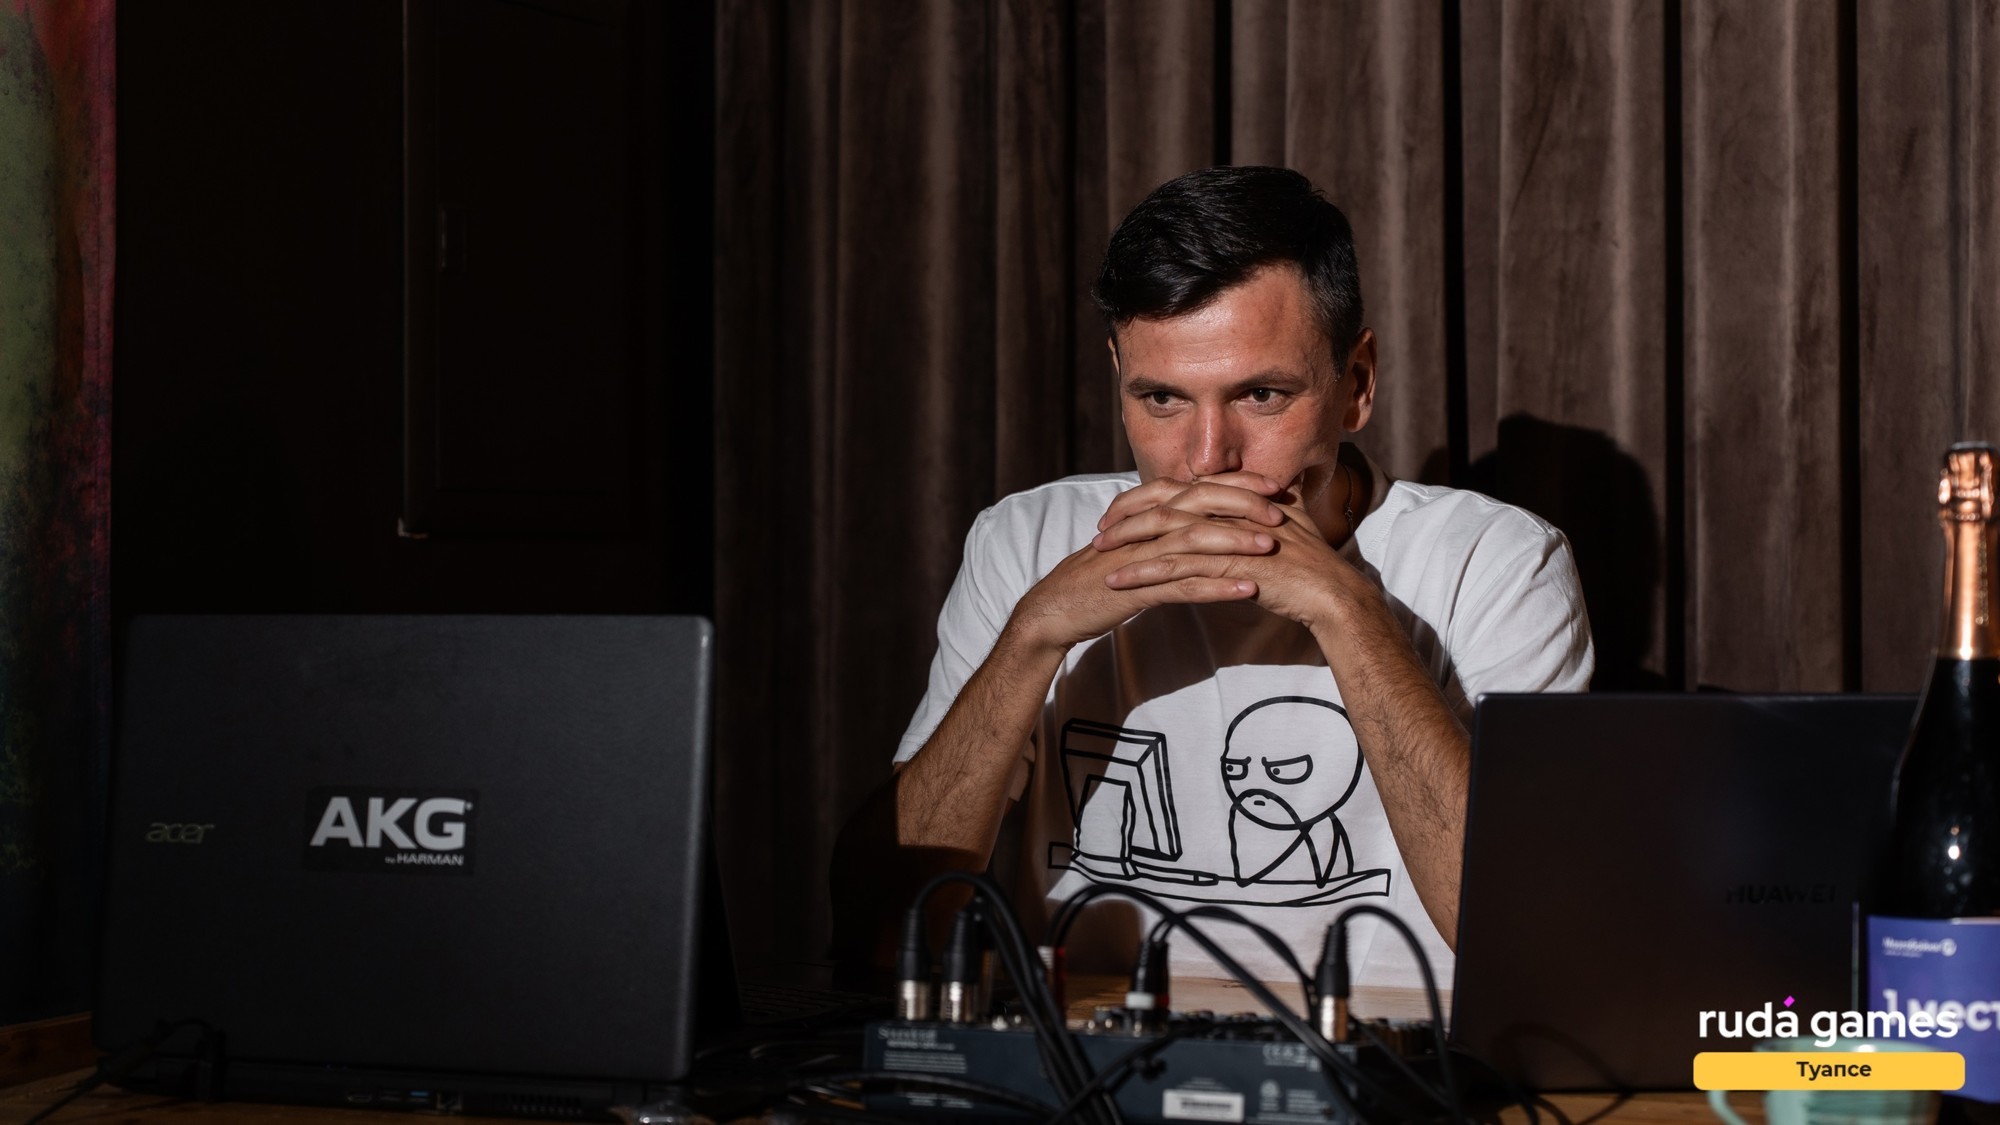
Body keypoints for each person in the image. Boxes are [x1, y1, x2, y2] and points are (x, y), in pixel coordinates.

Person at [836, 165, 1592, 987]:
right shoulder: (1027, 541)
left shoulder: (1497, 562)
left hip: (1394, 1057)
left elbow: (1526, 943)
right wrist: (1032, 638)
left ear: (1357, 384)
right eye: (1162, 399)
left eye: (1260, 394)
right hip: (1087, 1056)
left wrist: (1346, 608)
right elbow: (881, 931)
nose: (1206, 460)